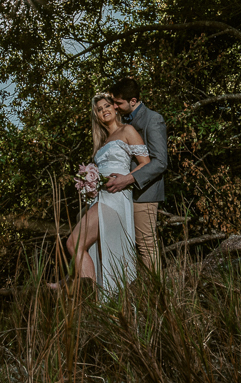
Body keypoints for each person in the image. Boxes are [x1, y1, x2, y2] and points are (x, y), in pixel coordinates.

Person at [53, 92, 151, 296]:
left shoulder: (127, 130)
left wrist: (125, 179)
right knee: (95, 249)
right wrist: (88, 185)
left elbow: (146, 163)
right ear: (96, 115)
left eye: (107, 106)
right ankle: (99, 298)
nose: (104, 110)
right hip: (100, 197)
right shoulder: (101, 143)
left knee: (74, 243)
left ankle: (87, 294)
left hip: (116, 196)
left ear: (115, 108)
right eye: (99, 109)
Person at [104, 78, 167, 274]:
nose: (114, 106)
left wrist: (128, 179)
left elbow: (160, 162)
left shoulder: (153, 119)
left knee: (146, 245)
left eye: (118, 103)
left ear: (133, 100)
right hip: (124, 194)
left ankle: (158, 297)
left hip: (145, 193)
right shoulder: (122, 121)